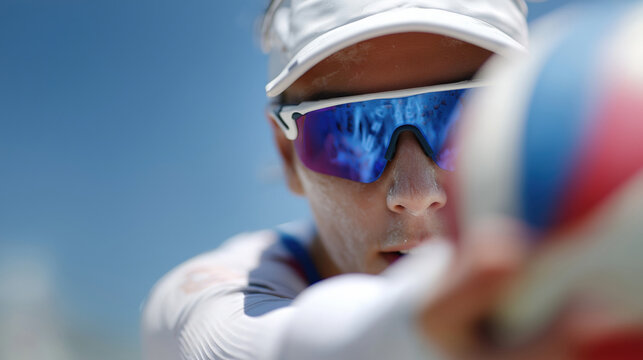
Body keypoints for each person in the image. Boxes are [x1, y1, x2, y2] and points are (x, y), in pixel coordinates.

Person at [141, 1, 588, 359]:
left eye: (465, 121)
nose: (416, 194)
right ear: (287, 155)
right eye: (349, 131)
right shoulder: (231, 283)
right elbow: (225, 337)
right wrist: (409, 333)